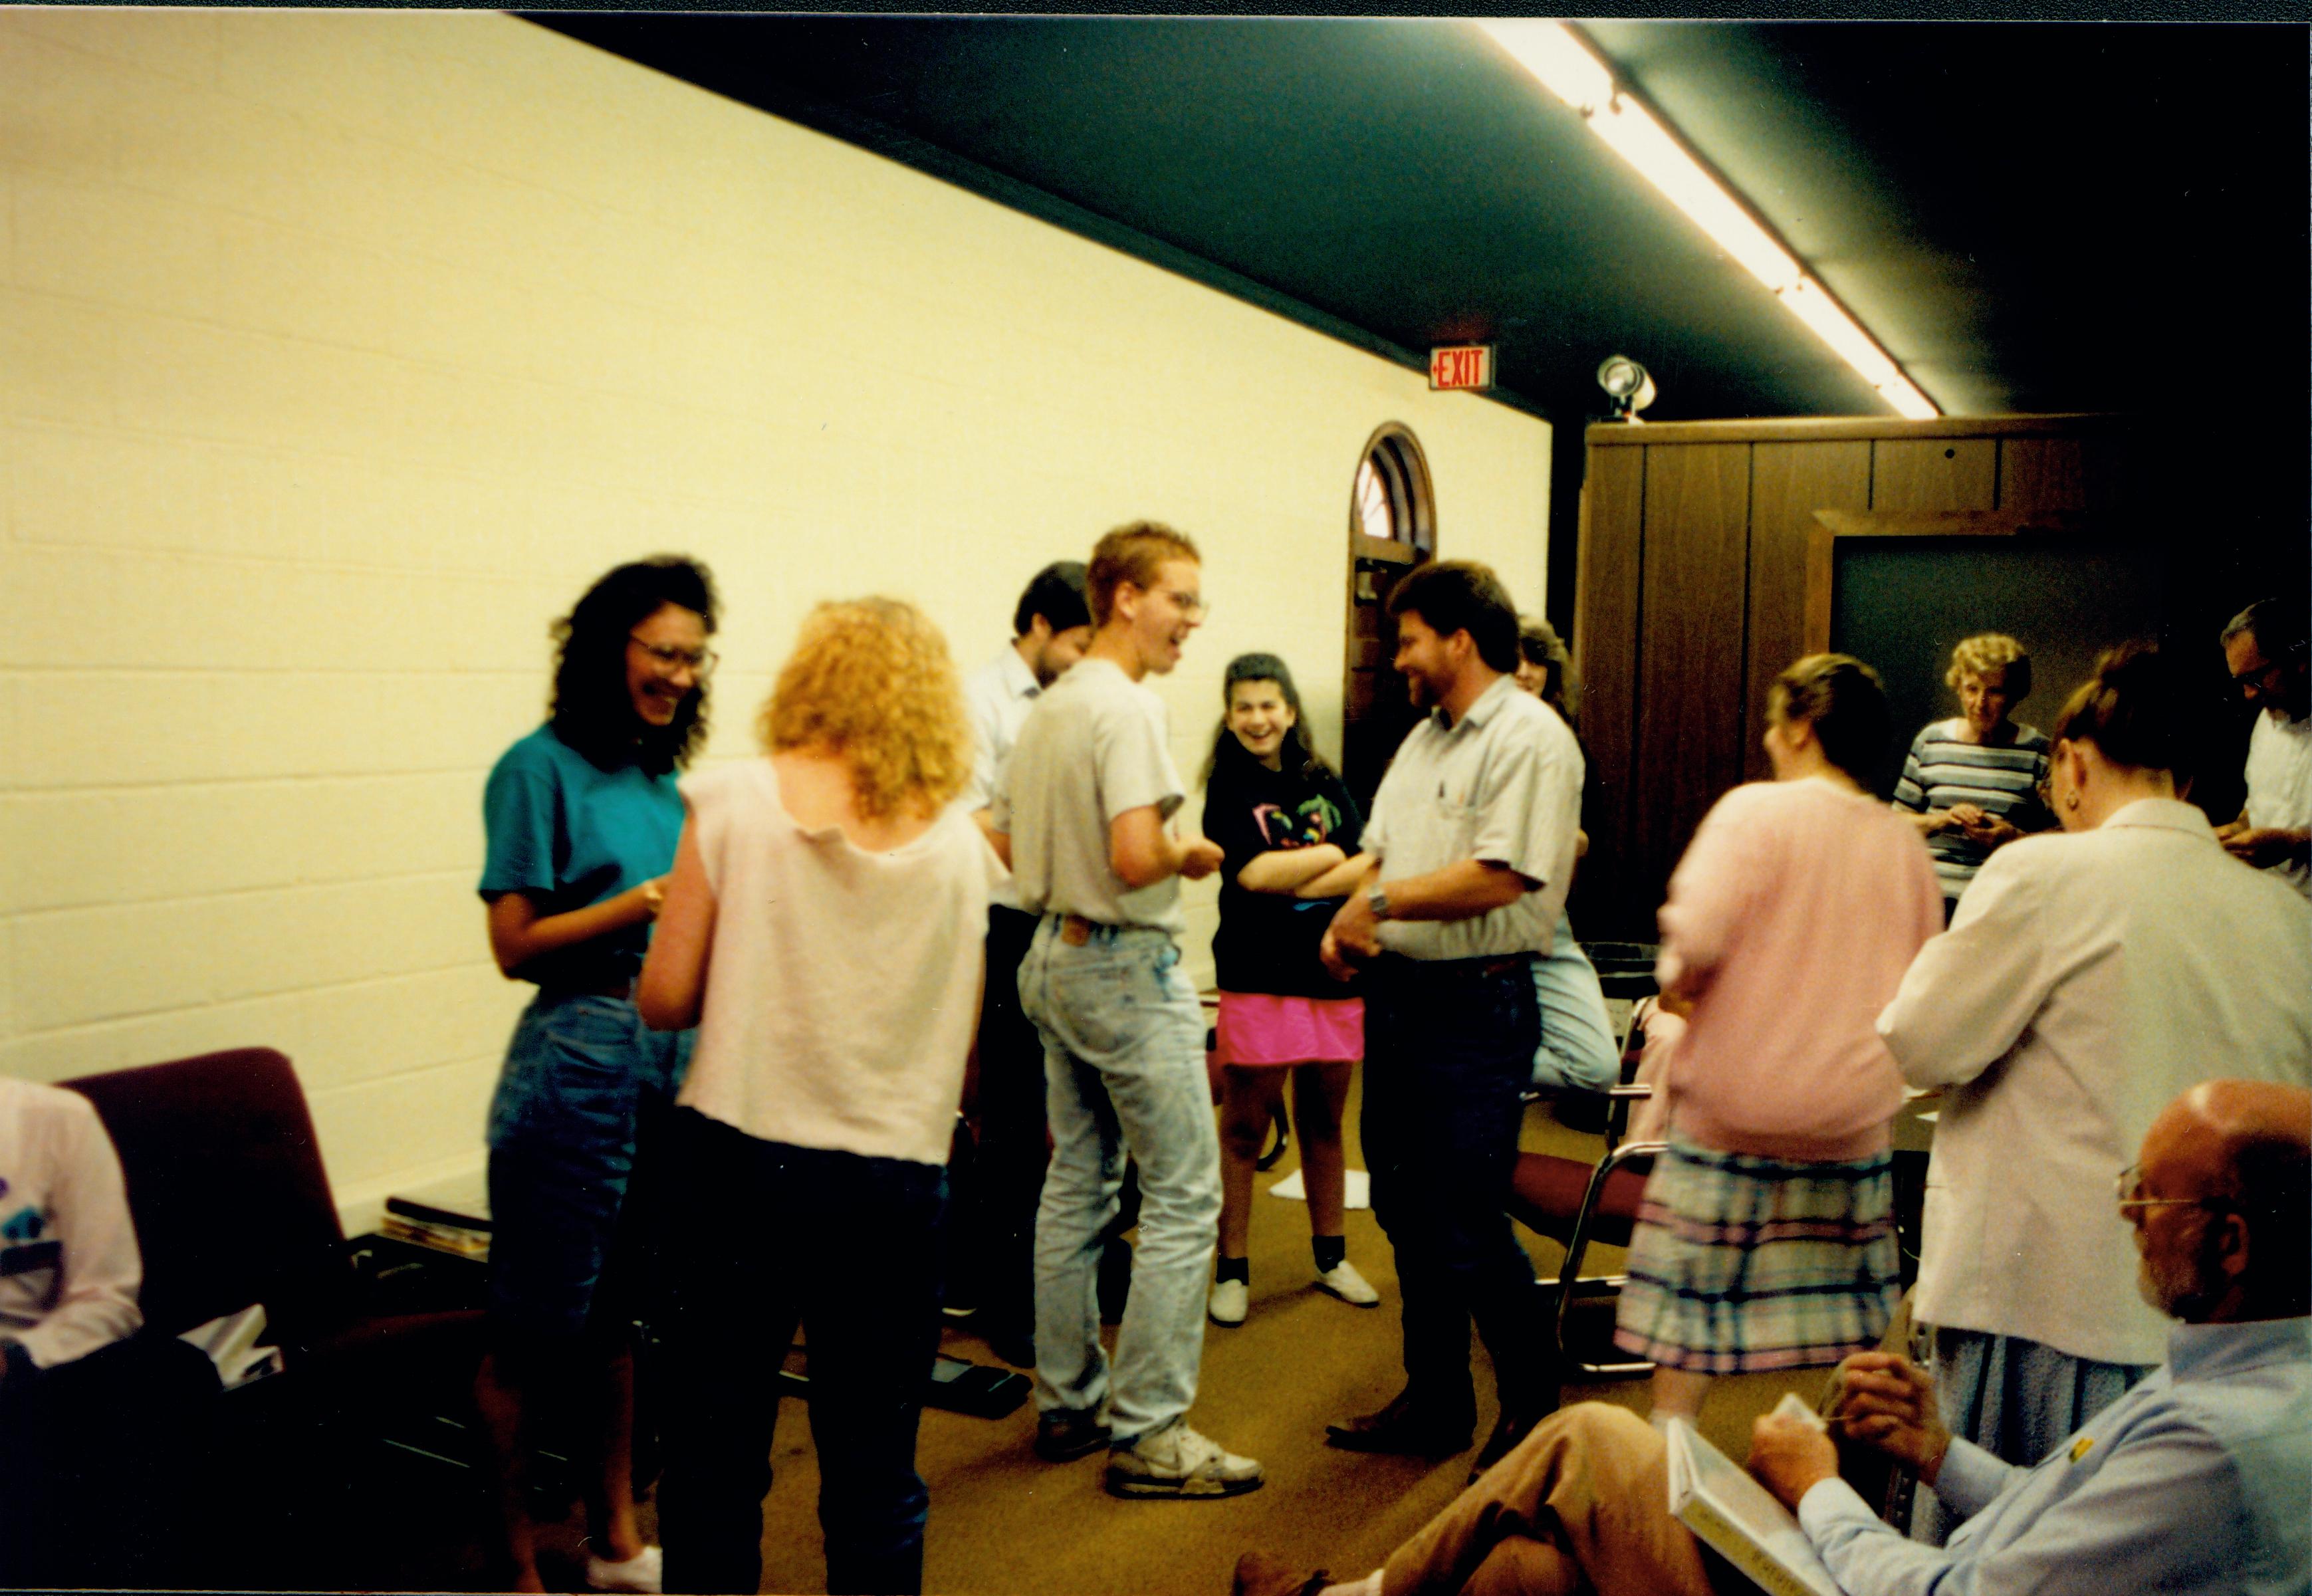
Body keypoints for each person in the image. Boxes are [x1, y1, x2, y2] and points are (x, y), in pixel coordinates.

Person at [1228, 1077, 2312, 1596]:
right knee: (1521, 1576)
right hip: (1909, 1572)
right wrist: (1939, 1454)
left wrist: (1818, 1489)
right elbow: (2053, 1521)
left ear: (2225, 1245)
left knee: (1593, 1445)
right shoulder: (2245, 1382)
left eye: (2146, 1197)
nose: (2121, 1212)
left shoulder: (2211, 1443)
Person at [1878, 641, 2312, 1540]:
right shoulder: (2285, 915)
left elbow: (1916, 1043)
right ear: (2192, 778)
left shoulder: (2043, 874)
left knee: (2006, 1554)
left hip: (2047, 1305)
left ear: (2070, 762)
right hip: (2223, 1330)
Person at [637, 598, 1000, 1596]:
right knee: (874, 1474)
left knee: (712, 1465)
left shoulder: (734, 802)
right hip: (891, 1180)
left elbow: (665, 1000)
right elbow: (957, 1046)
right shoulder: (967, 853)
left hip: (737, 1164)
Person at [990, 520, 1264, 1499]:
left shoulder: (1051, 706)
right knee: (1188, 1193)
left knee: (1077, 1182)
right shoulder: (1127, 710)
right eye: (1180, 600)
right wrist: (1192, 854)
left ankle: (1068, 1399)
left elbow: (1003, 839)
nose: (1192, 621)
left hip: (1053, 958)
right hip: (1119, 966)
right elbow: (1138, 854)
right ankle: (1150, 1432)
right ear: (1125, 598)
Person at [474, 555, 719, 1595]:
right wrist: (638, 904)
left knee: (617, 1319)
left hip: (663, 1060)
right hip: (574, 1059)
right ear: (606, 648)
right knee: (532, 1334)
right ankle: (516, 1561)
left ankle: (616, 1540)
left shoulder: (663, 778)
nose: (681, 676)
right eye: (664, 653)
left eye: (696, 660)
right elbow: (514, 943)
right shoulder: (536, 768)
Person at [1614, 655, 1943, 1426]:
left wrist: (1678, 980)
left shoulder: (1751, 812)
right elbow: (1925, 977)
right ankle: (1842, 1473)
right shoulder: (1903, 843)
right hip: (1850, 1117)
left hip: (1739, 1105)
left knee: (1690, 1310)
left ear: (1801, 725)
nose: (1767, 737)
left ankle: (1671, 1448)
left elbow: (1690, 945)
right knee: (1844, 1323)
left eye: (1774, 720)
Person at [1318, 560, 1581, 1474]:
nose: (1397, 659)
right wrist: (1343, 916)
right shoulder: (1424, 741)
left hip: (1478, 1005)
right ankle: (1437, 1400)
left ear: (1458, 639)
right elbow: (1379, 859)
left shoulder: (1529, 738)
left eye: (1408, 639)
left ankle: (1535, 1414)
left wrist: (1378, 910)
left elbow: (1500, 877)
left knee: (1463, 1216)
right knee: (1399, 1200)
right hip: (1405, 998)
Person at [1201, 651, 1379, 1327]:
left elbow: (1369, 859)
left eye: (1268, 705)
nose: (1257, 718)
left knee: (1324, 1124)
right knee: (1244, 1127)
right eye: (1243, 706)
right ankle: (1233, 1268)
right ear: (1228, 715)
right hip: (1258, 973)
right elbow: (1248, 876)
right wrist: (1329, 861)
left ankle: (1330, 1257)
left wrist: (1304, 873)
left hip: (1331, 973)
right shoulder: (1227, 786)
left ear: (1291, 710)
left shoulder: (1320, 779)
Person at [954, 560, 1094, 1368]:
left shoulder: (1082, 699)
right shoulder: (981, 701)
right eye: (1077, 642)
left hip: (1076, 923)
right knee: (1011, 1122)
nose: (1084, 659)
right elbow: (969, 819)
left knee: (1074, 1116)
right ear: (1038, 625)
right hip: (1008, 923)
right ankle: (1010, 1298)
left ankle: (1066, 1276)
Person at [0, 1075, 216, 1589]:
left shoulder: (56, 1120)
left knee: (173, 1374)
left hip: (37, 1370)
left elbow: (109, 1299)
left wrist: (16, 1358)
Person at [1512, 618, 1619, 1097]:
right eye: (1514, 659)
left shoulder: (1568, 744)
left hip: (1546, 921)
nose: (1525, 671)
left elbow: (1582, 838)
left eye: (1535, 660)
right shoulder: (1466, 740)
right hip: (1474, 923)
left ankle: (1466, 1059)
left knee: (1597, 1068)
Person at [1890, 631, 2053, 918]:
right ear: (1959, 688)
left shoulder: (2038, 751)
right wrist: (1941, 820)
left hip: (2002, 904)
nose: (1980, 702)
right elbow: (1895, 824)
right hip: (1929, 898)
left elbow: (2067, 835)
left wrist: (2012, 837)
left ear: (2015, 694)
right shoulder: (1931, 741)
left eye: (1995, 691)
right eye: (1972, 689)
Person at [2215, 595, 2311, 895]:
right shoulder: (2266, 725)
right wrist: (2229, 833)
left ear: (2299, 662)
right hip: (2272, 909)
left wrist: (2294, 843)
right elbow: (2256, 810)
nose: (2249, 695)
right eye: (2241, 681)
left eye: (2255, 679)